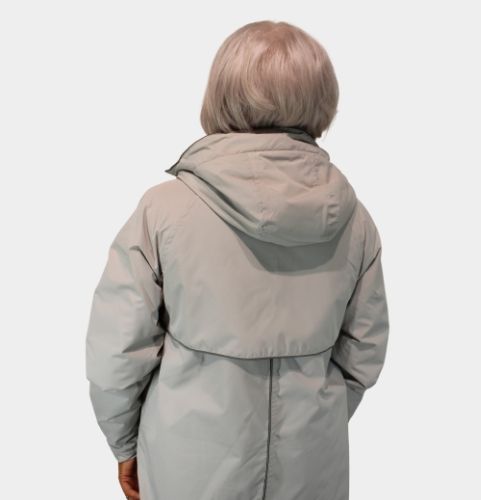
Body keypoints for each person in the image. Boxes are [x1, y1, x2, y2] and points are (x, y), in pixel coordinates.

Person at [85, 20, 390, 500]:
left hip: (187, 465)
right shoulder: (354, 219)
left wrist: (125, 445)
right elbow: (364, 350)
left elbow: (117, 350)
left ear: (221, 92)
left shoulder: (164, 209)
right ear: (322, 98)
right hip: (313, 465)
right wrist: (319, 417)